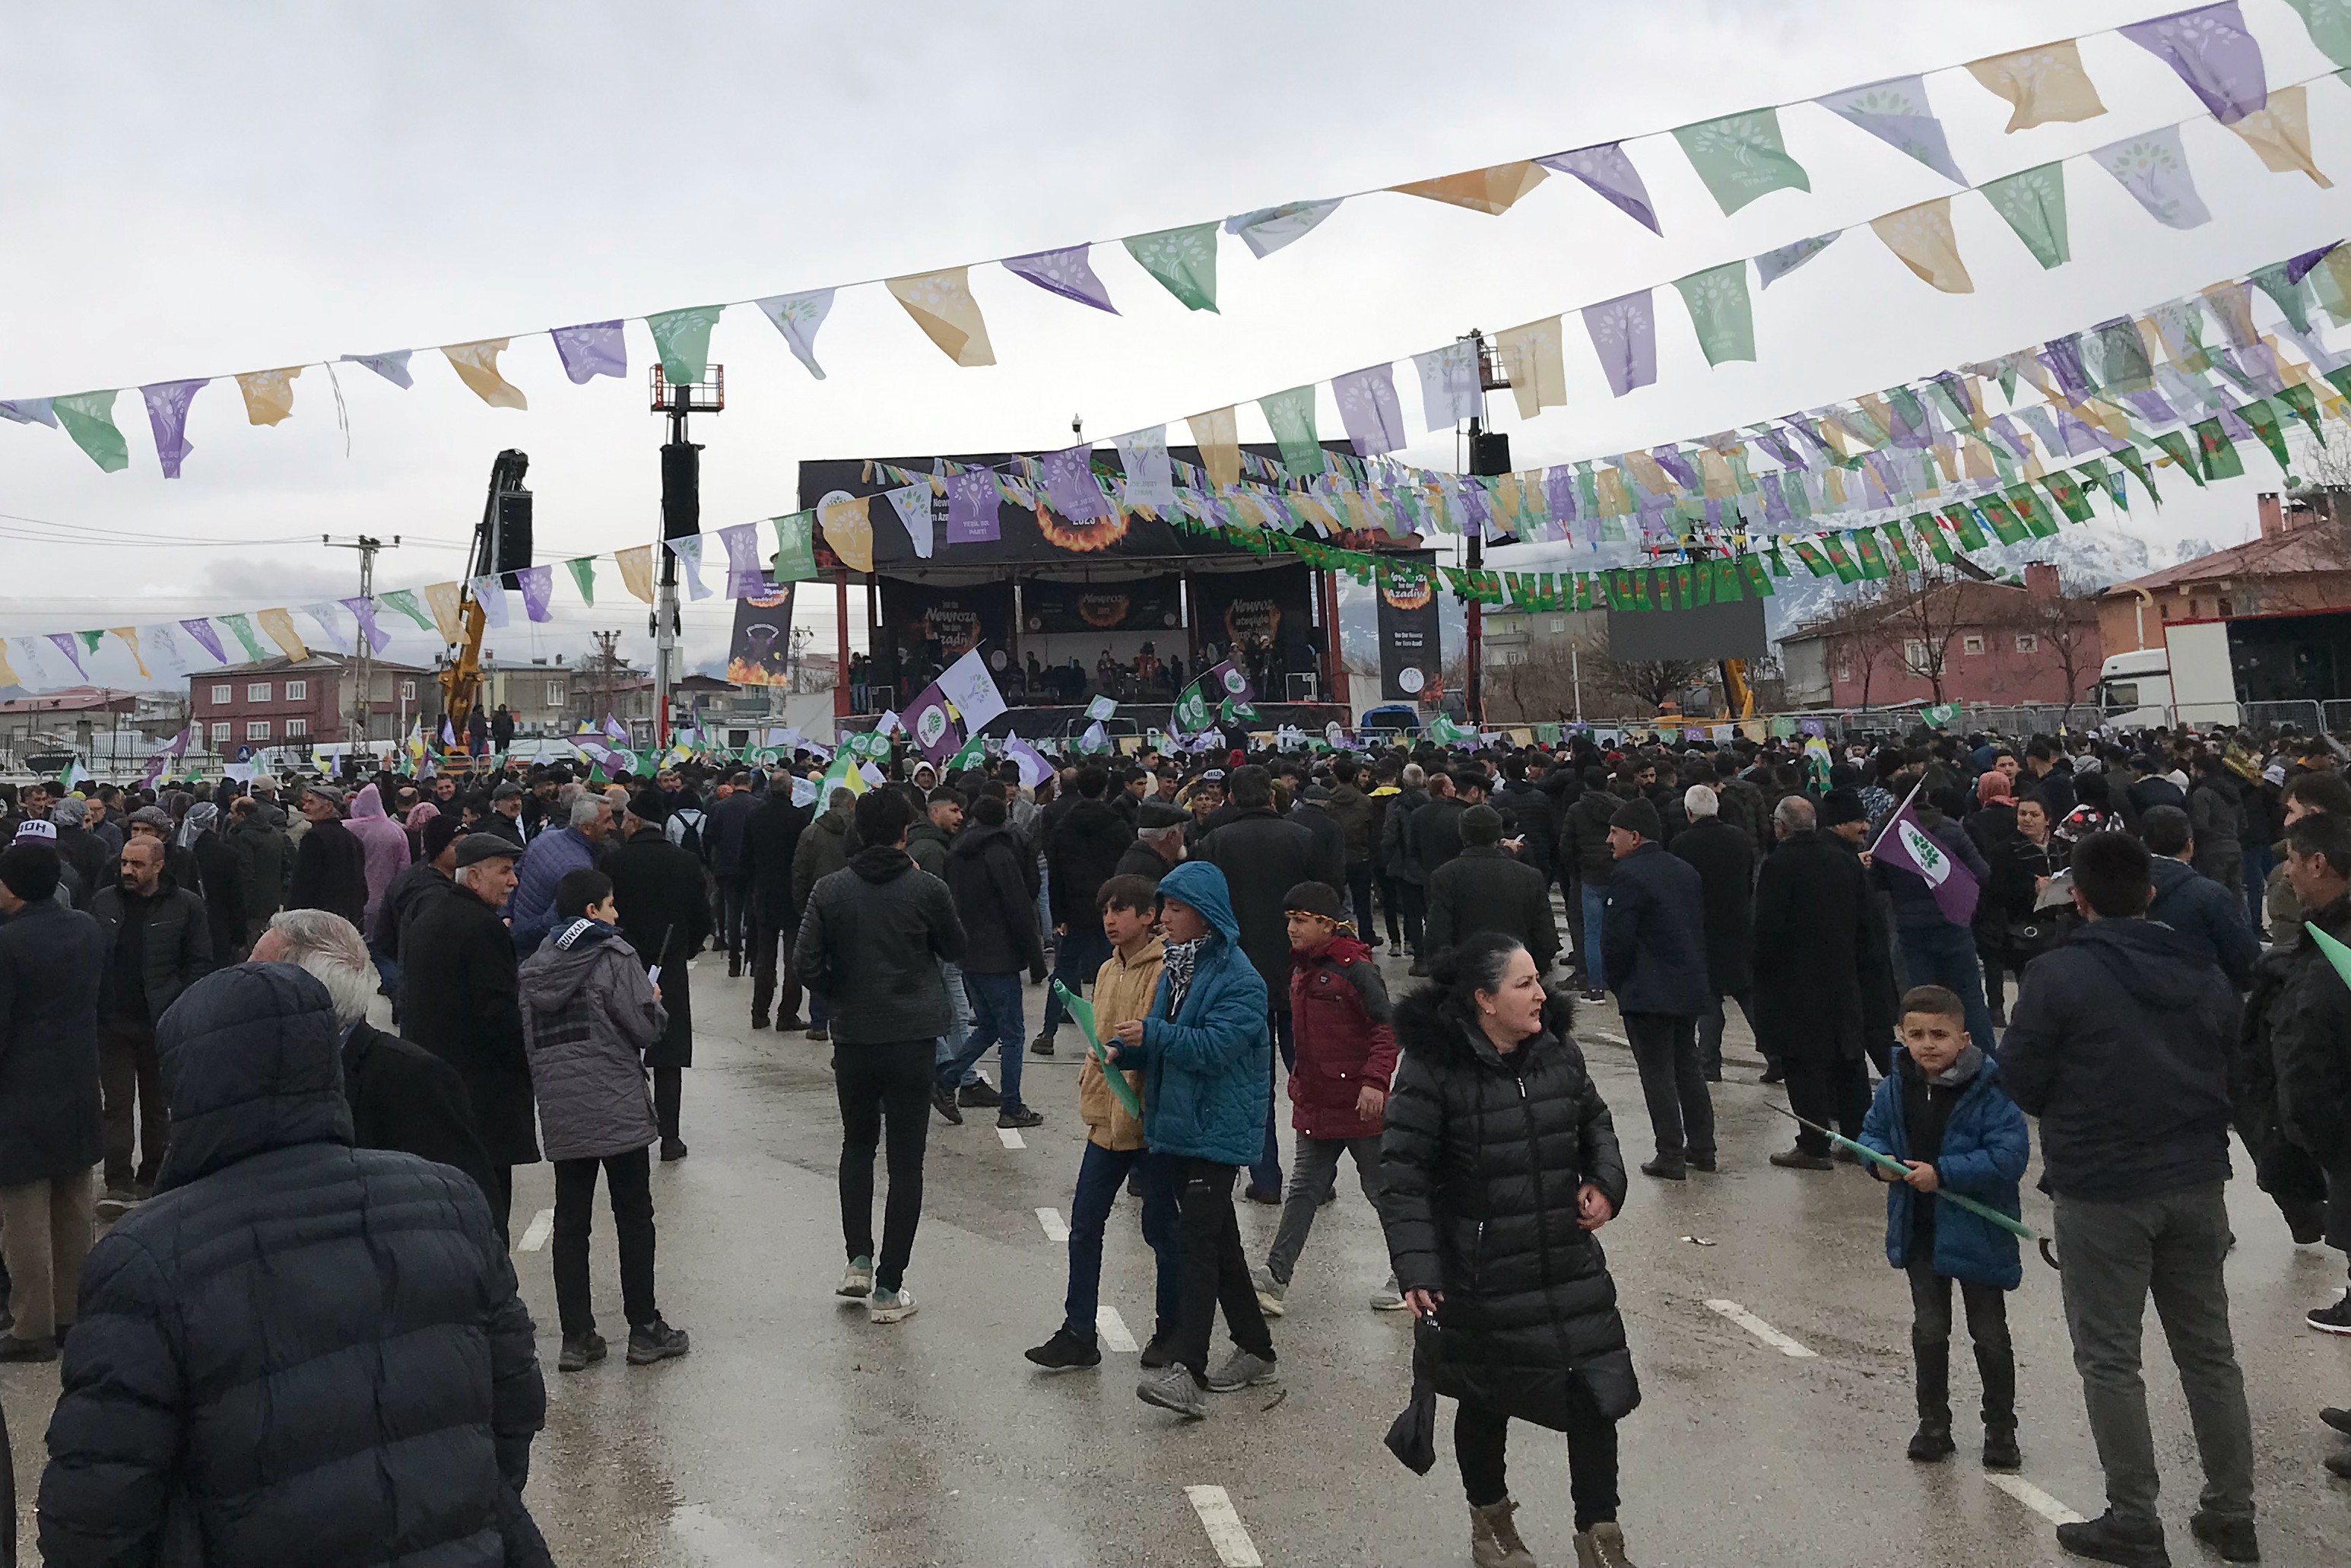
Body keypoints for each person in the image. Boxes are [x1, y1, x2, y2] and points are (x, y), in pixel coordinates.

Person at [34, 963, 554, 1568]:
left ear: (189, 1078)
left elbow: (97, 1511)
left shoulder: (145, 1258)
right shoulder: (449, 1201)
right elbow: (515, 1402)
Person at [1997, 830, 2257, 1567]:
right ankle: (2230, 1509)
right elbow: (2232, 1058)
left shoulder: (2056, 975)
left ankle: (2133, 1515)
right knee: (2208, 1352)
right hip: (2194, 1174)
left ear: (2075, 896)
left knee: (2109, 1355)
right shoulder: (2199, 967)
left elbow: (2017, 1078)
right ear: (2148, 891)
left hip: (2102, 1182)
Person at [1382, 933, 1639, 1568]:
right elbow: (1404, 1175)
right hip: (1481, 1271)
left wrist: (1605, 1184)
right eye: (1523, 983)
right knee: (1486, 1396)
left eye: (1539, 979)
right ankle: (1491, 1528)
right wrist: (1417, 1269)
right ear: (1483, 1000)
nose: (1540, 993)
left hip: (1564, 1258)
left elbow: (1596, 1126)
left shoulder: (1558, 1050)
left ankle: (1601, 1539)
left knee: (1594, 1396)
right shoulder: (1431, 1067)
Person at [1106, 861, 1277, 1420]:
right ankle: (1255, 1347)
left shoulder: (1242, 980)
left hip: (1215, 1128)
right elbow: (1167, 1039)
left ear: (1204, 914)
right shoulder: (1181, 969)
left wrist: (1153, 1033)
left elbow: (1213, 1049)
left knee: (1197, 1245)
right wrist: (1128, 1049)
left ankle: (1189, 1369)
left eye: (1175, 910)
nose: (1165, 920)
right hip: (1178, 1125)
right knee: (1219, 1242)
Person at [795, 786, 966, 1325]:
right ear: (903, 832)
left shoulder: (830, 890)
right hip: (913, 1037)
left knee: (857, 1144)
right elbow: (957, 947)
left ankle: (858, 1259)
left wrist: (837, 989)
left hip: (854, 1037)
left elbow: (805, 962)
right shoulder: (927, 887)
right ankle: (890, 1288)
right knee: (906, 1161)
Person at [519, 867, 691, 1372]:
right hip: (615, 1103)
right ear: (593, 911)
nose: (617, 914)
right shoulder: (616, 956)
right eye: (611, 905)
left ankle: (577, 1336)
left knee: (571, 1222)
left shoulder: (536, 966)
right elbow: (643, 1028)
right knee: (633, 1215)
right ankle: (644, 1329)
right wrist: (655, 1005)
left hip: (562, 1107)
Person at [1858, 985, 2029, 1470]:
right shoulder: (1894, 1086)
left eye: (1939, 1034)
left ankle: (2000, 1431)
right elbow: (1870, 1132)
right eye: (1917, 1035)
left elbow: (2009, 1156)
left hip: (1977, 1231)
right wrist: (1880, 1162)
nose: (1928, 1044)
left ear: (1964, 1038)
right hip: (1921, 1231)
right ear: (1901, 1036)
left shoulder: (1991, 1090)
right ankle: (1933, 1424)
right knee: (1930, 1329)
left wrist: (1945, 1173)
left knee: (1989, 1333)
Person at [1023, 874, 1182, 1371]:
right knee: (1085, 1224)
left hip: (1148, 1119)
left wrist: (1125, 1052)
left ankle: (1170, 1330)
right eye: (1106, 911)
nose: (1111, 920)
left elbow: (1163, 1038)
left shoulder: (1166, 971)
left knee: (1162, 1229)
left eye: (1121, 910)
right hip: (1107, 1120)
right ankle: (1078, 1332)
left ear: (1148, 916)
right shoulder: (1107, 969)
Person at [250, 906, 496, 1205]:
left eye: (257, 975)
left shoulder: (413, 1082)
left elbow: (469, 1211)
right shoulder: (246, 1070)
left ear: (311, 998)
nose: (238, 983)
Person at [1249, 881, 1404, 1318]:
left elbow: (1386, 1029)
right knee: (1302, 1191)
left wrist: (1376, 1082)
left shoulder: (1355, 969)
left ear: (1325, 923)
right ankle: (1275, 1277)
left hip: (1360, 1105)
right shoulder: (1302, 968)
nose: (1292, 929)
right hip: (1317, 1102)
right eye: (1289, 922)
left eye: (1300, 921)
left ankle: (1413, 1274)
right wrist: (1300, 1082)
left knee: (1383, 1192)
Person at [399, 834, 541, 1242]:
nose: (513, 882)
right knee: (491, 1212)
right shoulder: (482, 928)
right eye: (505, 871)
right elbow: (497, 1015)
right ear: (475, 877)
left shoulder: (429, 916)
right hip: (483, 1094)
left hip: (438, 1087)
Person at [2244, 811, 2351, 1337]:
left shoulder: (2328, 958)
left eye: (2292, 858)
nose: (2285, 872)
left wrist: (2317, 1140)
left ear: (2318, 862)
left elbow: (2309, 1058)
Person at [1198, 764, 1321, 1204]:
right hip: (1298, 972)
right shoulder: (1302, 838)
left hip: (1240, 975)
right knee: (1308, 1074)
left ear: (1230, 798)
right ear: (1271, 797)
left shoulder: (1215, 843)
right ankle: (1316, 1178)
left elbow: (1205, 909)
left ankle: (1265, 1177)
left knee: (1254, 1082)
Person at [0, 843, 103, 1362]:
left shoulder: (8, 942)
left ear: (12, 886)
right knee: (72, 1204)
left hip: (20, 1091)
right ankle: (72, 1314)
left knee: (21, 1213)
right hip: (80, 1081)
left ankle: (30, 1325)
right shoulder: (86, 928)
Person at [87, 834, 212, 1217]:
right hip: (113, 1023)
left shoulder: (186, 906)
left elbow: (199, 962)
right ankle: (118, 1181)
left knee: (158, 1107)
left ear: (158, 866)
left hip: (162, 1022)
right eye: (124, 862)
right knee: (117, 1105)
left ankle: (153, 1177)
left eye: (137, 864)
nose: (127, 870)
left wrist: (178, 1003)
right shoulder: (104, 901)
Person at [1599, 796, 1713, 1181]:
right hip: (1687, 984)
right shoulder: (1685, 871)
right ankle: (1703, 1147)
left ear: (1634, 836)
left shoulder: (1628, 876)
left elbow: (1617, 939)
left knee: (1657, 1073)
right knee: (1688, 1068)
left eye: (1614, 833)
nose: (1608, 840)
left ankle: (1670, 1153)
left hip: (1647, 990)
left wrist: (1617, 981)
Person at [603, 792, 713, 1161]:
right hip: (670, 965)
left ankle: (626, 1131)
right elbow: (703, 916)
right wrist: (688, 947)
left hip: (621, 962)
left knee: (621, 1047)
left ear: (633, 822)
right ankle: (670, 1136)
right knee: (668, 1052)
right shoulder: (684, 862)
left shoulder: (614, 862)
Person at [934, 793, 1048, 1128]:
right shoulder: (1000, 854)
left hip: (968, 952)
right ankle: (1011, 1106)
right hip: (1000, 955)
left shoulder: (955, 851)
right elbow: (1019, 908)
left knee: (988, 1026)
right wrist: (1035, 958)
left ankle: (948, 1079)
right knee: (1012, 1034)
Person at [1870, 788, 1997, 1055]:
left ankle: (1929, 1060)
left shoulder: (1887, 834)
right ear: (1927, 797)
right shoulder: (1951, 829)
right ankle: (1986, 1059)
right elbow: (1982, 871)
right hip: (1954, 922)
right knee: (1970, 997)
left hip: (1910, 929)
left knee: (1923, 1001)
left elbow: (1875, 882)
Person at [1036, 767, 1135, 1055]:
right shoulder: (1117, 825)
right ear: (1106, 789)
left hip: (1075, 909)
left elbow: (1055, 873)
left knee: (1064, 973)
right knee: (1114, 972)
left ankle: (1047, 1032)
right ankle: (1114, 1035)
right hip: (1112, 907)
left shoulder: (1064, 826)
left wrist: (1059, 915)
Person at [1670, 784, 1756, 1083]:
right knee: (1747, 992)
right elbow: (1749, 880)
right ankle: (1775, 1054)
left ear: (1689, 812)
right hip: (1738, 923)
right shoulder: (1740, 839)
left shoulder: (1681, 844)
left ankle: (1709, 1062)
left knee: (1709, 998)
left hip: (1701, 928)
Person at [1422, 802, 1559, 973]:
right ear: (1498, 835)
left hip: (1466, 975)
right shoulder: (1530, 876)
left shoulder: (1444, 875)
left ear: (1462, 834)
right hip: (1516, 971)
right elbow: (1547, 939)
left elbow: (1437, 939)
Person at [2140, 805, 2259, 993]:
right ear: (2190, 845)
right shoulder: (2211, 894)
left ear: (2142, 843)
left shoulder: (2125, 890)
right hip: (2202, 1000)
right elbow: (2246, 960)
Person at [744, 770, 811, 1031]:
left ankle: (759, 1013)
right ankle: (787, 1015)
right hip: (792, 896)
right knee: (793, 960)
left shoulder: (755, 817)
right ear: (790, 789)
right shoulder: (799, 819)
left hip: (763, 894)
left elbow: (746, 857)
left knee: (765, 957)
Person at [790, 786, 859, 1043]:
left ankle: (819, 1023)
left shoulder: (811, 832)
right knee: (853, 964)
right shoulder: (860, 830)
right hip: (855, 903)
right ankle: (848, 1021)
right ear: (851, 805)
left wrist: (802, 908)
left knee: (819, 964)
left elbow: (800, 872)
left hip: (820, 905)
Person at [506, 794, 611, 956]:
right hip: (533, 950)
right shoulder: (578, 868)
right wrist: (516, 935)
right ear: (586, 828)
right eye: (606, 821)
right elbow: (553, 923)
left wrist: (507, 915)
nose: (613, 826)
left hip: (519, 927)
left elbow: (514, 877)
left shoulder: (546, 836)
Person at [1561, 766, 1623, 1001]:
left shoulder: (1577, 810)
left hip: (1589, 876)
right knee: (1615, 929)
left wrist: (1575, 871)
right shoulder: (1619, 806)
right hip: (1616, 872)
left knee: (1592, 932)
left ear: (1585, 784)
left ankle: (1595, 985)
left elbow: (1566, 845)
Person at [285, 782, 367, 928]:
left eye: (311, 802)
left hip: (319, 921)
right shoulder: (352, 839)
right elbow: (361, 885)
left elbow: (303, 885)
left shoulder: (314, 838)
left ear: (329, 806)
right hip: (349, 920)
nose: (305, 807)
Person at [227, 793, 290, 945]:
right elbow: (286, 865)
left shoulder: (244, 837)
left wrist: (243, 903)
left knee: (253, 942)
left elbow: (245, 871)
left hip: (253, 902)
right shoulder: (274, 833)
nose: (230, 816)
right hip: (272, 898)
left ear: (242, 815)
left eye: (232, 812)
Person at [1114, 798, 1186, 887]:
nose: (1183, 839)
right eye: (1182, 831)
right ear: (1171, 836)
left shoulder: (1134, 859)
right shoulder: (1148, 873)